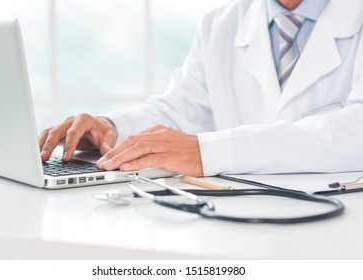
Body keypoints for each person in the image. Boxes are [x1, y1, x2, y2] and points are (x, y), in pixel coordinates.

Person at [39, 0, 363, 177]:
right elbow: (178, 110)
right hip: (245, 223)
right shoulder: (220, 25)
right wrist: (111, 127)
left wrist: (211, 151)